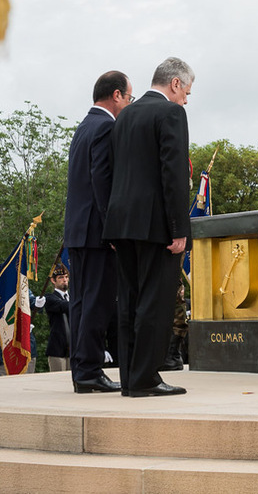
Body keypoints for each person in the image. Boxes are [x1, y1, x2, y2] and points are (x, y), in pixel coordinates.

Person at [103, 57, 193, 397]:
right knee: (155, 303)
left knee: (128, 302)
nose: (186, 99)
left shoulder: (124, 115)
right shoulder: (171, 113)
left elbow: (114, 170)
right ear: (174, 84)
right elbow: (173, 175)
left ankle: (130, 377)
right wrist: (179, 228)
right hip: (156, 226)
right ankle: (145, 379)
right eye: (187, 91)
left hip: (121, 222)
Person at [64, 70, 133, 394]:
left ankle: (82, 370)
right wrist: (113, 229)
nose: (128, 104)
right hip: (96, 232)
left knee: (80, 303)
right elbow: (101, 181)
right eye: (129, 97)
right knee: (96, 302)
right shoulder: (106, 126)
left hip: (78, 231)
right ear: (116, 95)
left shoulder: (84, 126)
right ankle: (90, 370)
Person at [44, 267, 71, 372]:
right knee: (58, 381)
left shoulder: (73, 297)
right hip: (57, 350)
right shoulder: (50, 298)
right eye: (60, 277)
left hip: (73, 349)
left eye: (66, 277)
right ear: (53, 280)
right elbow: (64, 306)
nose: (64, 280)